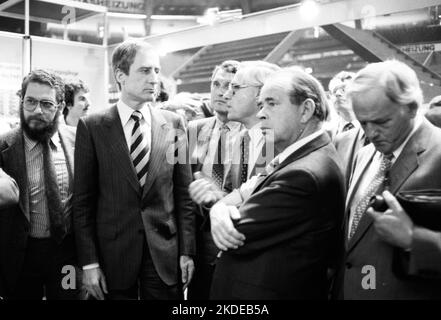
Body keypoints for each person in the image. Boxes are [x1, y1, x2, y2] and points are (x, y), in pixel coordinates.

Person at [73, 39, 196, 300]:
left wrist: (187, 251)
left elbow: (184, 195)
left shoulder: (175, 124)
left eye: (156, 71)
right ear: (121, 75)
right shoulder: (92, 127)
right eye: (144, 71)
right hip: (113, 258)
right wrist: (89, 263)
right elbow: (83, 203)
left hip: (164, 256)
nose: (154, 79)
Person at [208, 67, 346, 299]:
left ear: (306, 110)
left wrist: (220, 209)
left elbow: (234, 232)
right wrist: (219, 208)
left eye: (271, 103)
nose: (261, 113)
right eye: (261, 104)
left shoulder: (305, 174)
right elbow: (245, 190)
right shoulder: (300, 157)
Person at [336, 60, 441, 299]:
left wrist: (414, 240)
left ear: (412, 108)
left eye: (382, 122)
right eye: (363, 123)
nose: (371, 133)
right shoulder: (364, 154)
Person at [0, 69, 78, 300]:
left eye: (46, 104)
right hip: (21, 257)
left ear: (60, 106)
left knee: (69, 298)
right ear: (21, 101)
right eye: (30, 102)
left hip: (66, 256)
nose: (37, 111)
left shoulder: (78, 141)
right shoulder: (3, 147)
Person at [186, 60, 242, 300]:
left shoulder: (259, 135)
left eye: (229, 85)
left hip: (235, 237)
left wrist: (218, 197)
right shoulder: (191, 129)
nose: (221, 91)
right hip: (197, 239)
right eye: (216, 84)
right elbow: (178, 189)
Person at [223, 61, 279, 186]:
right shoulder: (242, 138)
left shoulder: (282, 142)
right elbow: (233, 192)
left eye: (235, 88)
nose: (226, 95)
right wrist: (215, 196)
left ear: (262, 93)